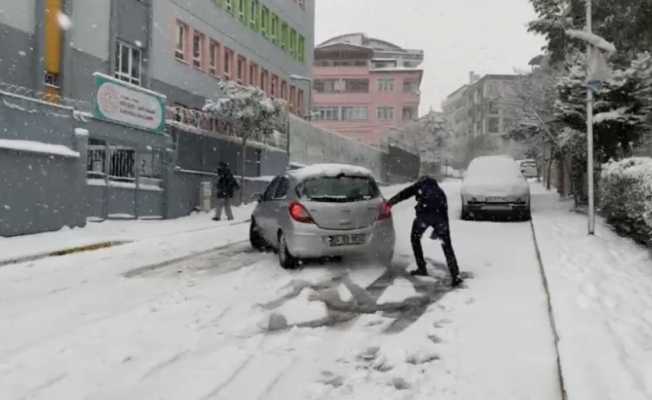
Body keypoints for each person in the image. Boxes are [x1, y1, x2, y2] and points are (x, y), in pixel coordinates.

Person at [388, 176, 463, 287]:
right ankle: (455, 275)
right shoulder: (440, 191)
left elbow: (404, 194)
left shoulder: (419, 186)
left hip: (424, 216)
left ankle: (421, 267)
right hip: (440, 219)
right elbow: (444, 212)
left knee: (415, 238)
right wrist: (440, 231)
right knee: (447, 245)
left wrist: (390, 203)